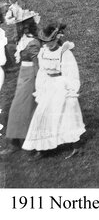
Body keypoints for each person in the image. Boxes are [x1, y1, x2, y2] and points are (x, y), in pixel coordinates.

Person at [21, 24, 85, 160]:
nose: (47, 44)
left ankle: (77, 147)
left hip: (61, 86)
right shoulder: (43, 52)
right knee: (42, 115)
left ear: (56, 39)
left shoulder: (64, 53)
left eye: (50, 41)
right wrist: (40, 88)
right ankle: (42, 147)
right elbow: (42, 71)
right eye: (45, 41)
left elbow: (71, 73)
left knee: (67, 116)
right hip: (48, 86)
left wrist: (71, 91)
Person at [0, 16, 41, 156]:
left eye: (19, 26)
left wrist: (39, 84)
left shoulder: (33, 42)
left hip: (31, 77)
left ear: (26, 27)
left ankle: (30, 143)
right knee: (18, 109)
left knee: (24, 108)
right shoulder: (23, 40)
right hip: (23, 76)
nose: (17, 28)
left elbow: (37, 66)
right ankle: (16, 141)